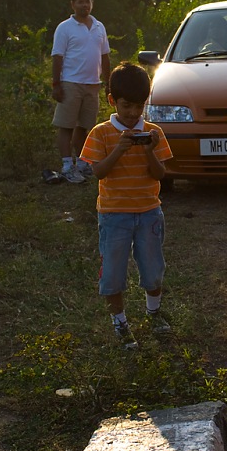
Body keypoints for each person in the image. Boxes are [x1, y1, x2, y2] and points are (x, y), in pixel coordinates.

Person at [80, 61, 173, 350]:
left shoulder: (153, 132)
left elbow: (160, 175)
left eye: (139, 106)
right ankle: (120, 322)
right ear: (112, 101)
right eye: (126, 106)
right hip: (113, 214)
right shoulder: (101, 133)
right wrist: (119, 148)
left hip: (148, 211)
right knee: (113, 273)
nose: (133, 114)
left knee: (153, 267)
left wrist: (148, 151)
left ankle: (153, 311)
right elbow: (98, 172)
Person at [51, 0, 111, 183]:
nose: (84, 5)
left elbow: (105, 56)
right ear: (73, 4)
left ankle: (83, 163)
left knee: (85, 126)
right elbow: (57, 57)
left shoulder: (99, 27)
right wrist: (56, 84)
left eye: (87, 1)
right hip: (70, 83)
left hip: (93, 84)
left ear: (92, 3)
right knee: (66, 126)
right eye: (80, 2)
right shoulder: (64, 28)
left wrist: (109, 82)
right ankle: (67, 165)